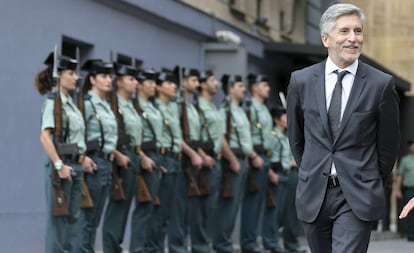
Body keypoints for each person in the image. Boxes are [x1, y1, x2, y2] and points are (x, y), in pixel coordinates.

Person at [287, 3, 400, 253]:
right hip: (314, 193)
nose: (353, 39)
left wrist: (366, 179)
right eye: (345, 31)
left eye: (358, 31)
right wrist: (311, 170)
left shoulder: (380, 85)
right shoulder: (301, 81)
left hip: (356, 196)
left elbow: (388, 147)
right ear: (326, 39)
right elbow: (296, 138)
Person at [36, 52, 94, 253]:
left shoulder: (71, 104)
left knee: (73, 220)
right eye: (71, 73)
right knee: (58, 220)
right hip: (60, 169)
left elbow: (73, 138)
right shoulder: (53, 102)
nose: (76, 77)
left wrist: (83, 158)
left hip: (75, 167)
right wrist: (59, 165)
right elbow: (45, 137)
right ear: (59, 76)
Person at [78, 59, 123, 253]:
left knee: (94, 219)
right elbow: (77, 133)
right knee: (86, 219)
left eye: (110, 76)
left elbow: (109, 139)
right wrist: (82, 157)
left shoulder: (105, 104)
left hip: (106, 164)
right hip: (93, 163)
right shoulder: (86, 103)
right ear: (93, 79)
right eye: (104, 76)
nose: (109, 80)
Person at [213, 74, 261, 253]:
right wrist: (233, 160)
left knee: (233, 208)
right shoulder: (225, 111)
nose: (244, 89)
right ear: (231, 88)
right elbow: (222, 137)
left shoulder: (239, 110)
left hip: (242, 161)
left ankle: (224, 243)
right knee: (227, 207)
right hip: (231, 162)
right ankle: (221, 244)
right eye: (240, 86)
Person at [102, 63, 142, 253]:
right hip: (119, 159)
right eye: (131, 79)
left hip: (132, 156)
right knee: (117, 207)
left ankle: (115, 246)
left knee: (124, 207)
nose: (135, 83)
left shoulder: (132, 106)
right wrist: (118, 155)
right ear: (119, 83)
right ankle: (111, 248)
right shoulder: (112, 104)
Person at [146, 69, 182, 253]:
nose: (173, 86)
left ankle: (159, 247)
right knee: (157, 212)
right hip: (163, 159)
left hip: (174, 159)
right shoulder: (156, 108)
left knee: (166, 212)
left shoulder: (170, 108)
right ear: (159, 87)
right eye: (168, 83)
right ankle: (152, 248)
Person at [168, 67, 203, 253]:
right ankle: (176, 247)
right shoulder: (176, 105)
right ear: (184, 83)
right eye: (193, 80)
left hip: (193, 160)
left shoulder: (191, 106)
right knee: (178, 208)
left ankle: (182, 245)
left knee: (188, 208)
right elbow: (177, 136)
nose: (197, 84)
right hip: (184, 159)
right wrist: (192, 154)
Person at [130, 69, 163, 253]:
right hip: (145, 156)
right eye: (149, 82)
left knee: (152, 208)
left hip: (156, 156)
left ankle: (148, 248)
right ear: (140, 85)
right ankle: (137, 249)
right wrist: (143, 156)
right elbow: (135, 136)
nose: (153, 86)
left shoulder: (152, 107)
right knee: (143, 207)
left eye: (154, 82)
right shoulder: (136, 107)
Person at [191, 70, 224, 253]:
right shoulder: (198, 107)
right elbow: (195, 136)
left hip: (215, 161)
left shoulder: (212, 106)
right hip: (205, 160)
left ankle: (205, 243)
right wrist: (203, 156)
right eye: (212, 80)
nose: (216, 83)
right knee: (201, 207)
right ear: (203, 85)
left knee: (211, 207)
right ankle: (199, 245)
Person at [241, 74, 268, 253]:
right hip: (254, 157)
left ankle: (252, 241)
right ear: (255, 87)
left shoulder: (263, 108)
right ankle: (248, 243)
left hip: (264, 157)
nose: (268, 88)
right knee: (251, 203)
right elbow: (246, 133)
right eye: (264, 85)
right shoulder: (249, 107)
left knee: (258, 203)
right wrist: (251, 155)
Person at [396, 140, 414, 241]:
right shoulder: (405, 160)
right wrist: (397, 190)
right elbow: (400, 176)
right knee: (409, 213)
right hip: (409, 189)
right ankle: (411, 234)